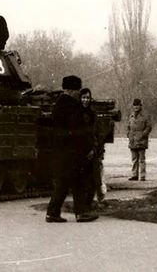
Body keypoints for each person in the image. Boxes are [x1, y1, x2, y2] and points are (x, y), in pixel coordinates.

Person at [46, 75, 98, 223]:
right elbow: (76, 130)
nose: (78, 93)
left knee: (64, 183)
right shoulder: (72, 106)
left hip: (62, 151)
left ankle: (53, 212)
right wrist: (85, 143)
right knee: (79, 182)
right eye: (77, 90)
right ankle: (80, 212)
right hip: (73, 152)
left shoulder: (58, 105)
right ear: (71, 90)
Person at [80, 88, 105, 207]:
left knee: (94, 181)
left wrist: (95, 149)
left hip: (92, 151)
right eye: (83, 97)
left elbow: (96, 133)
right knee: (82, 181)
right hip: (80, 151)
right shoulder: (77, 114)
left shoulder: (92, 114)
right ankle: (83, 206)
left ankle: (88, 204)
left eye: (88, 98)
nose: (86, 100)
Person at [127, 98, 152, 181]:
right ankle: (134, 175)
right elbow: (128, 126)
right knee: (134, 159)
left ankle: (142, 175)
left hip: (141, 140)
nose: (136, 107)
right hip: (133, 140)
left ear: (140, 106)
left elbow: (149, 127)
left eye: (137, 105)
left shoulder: (145, 116)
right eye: (134, 105)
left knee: (141, 159)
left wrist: (143, 135)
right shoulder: (131, 115)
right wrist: (128, 134)